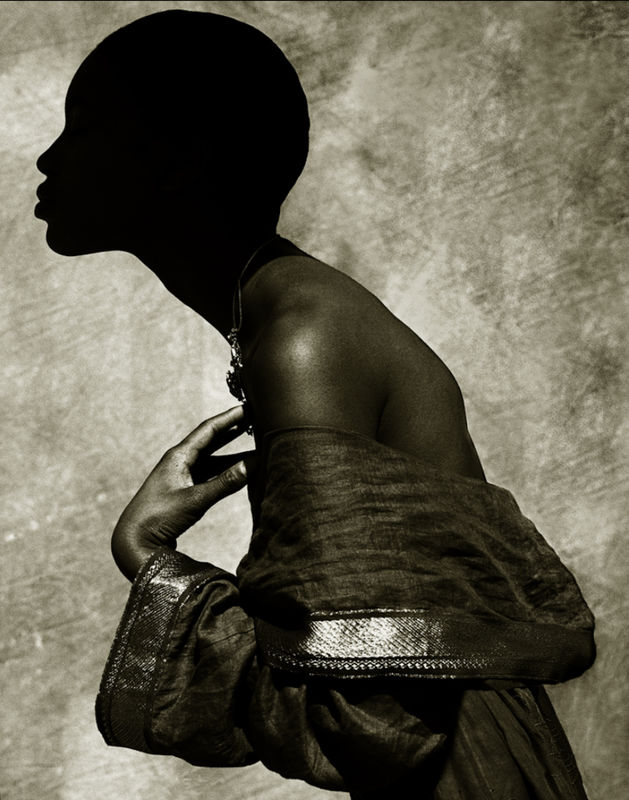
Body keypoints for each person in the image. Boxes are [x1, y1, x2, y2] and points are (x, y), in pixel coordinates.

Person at [35, 10, 595, 799]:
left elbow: (367, 718)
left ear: (176, 158)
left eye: (85, 128)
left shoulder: (302, 339)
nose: (49, 157)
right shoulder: (283, 314)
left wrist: (149, 558)